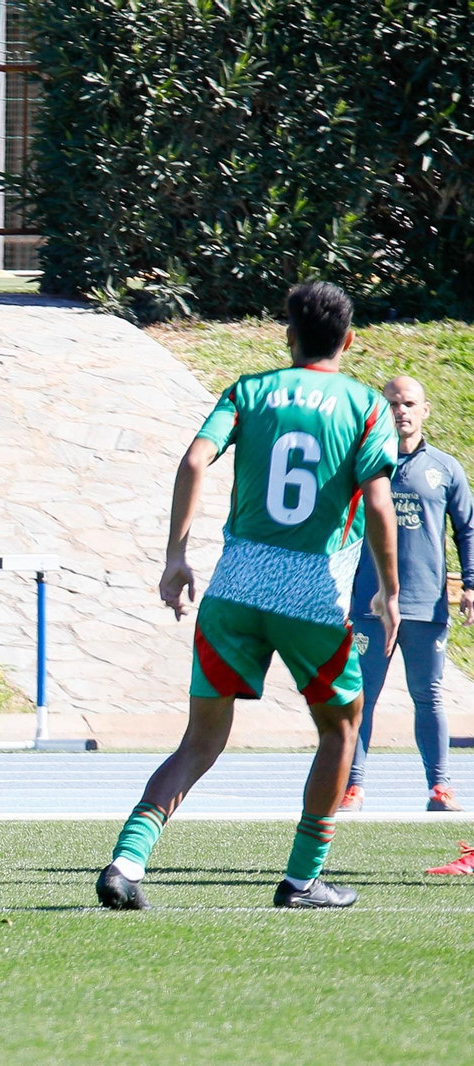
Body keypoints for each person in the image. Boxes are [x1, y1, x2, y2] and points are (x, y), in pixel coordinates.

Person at [96, 281, 399, 910]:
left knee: (200, 741)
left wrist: (177, 557)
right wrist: (390, 592)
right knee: (341, 731)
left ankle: (127, 863)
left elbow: (193, 461)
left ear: (288, 336)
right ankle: (302, 879)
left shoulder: (248, 391)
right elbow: (375, 502)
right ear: (347, 340)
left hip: (235, 586)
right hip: (311, 592)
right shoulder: (368, 407)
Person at [341, 376, 473, 813]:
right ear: (382, 410)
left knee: (428, 695)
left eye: (409, 403)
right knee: (361, 696)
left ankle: (440, 788)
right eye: (393, 404)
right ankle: (352, 787)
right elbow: (336, 526)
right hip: (370, 604)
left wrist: (470, 584)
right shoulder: (362, 463)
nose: (402, 411)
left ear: (425, 409)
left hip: (425, 604)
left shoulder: (446, 468)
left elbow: (467, 530)